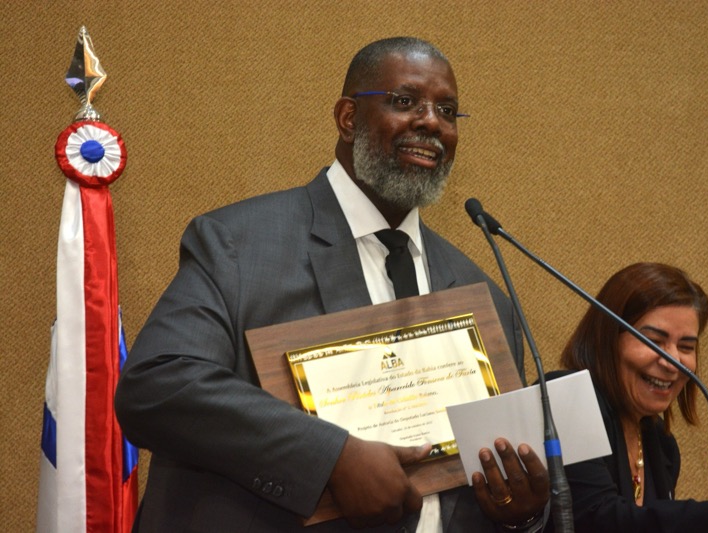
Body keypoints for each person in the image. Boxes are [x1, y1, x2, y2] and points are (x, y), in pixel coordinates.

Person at [115, 37, 549, 532]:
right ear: (348, 118)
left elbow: (487, 478)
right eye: (405, 101)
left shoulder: (483, 295)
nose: (431, 122)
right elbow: (157, 385)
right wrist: (330, 456)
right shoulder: (239, 243)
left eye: (447, 111)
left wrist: (519, 515)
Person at [543, 262, 708, 533]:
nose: (673, 361)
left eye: (686, 347)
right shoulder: (564, 398)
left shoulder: (662, 445)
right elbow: (597, 519)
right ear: (607, 339)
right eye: (653, 341)